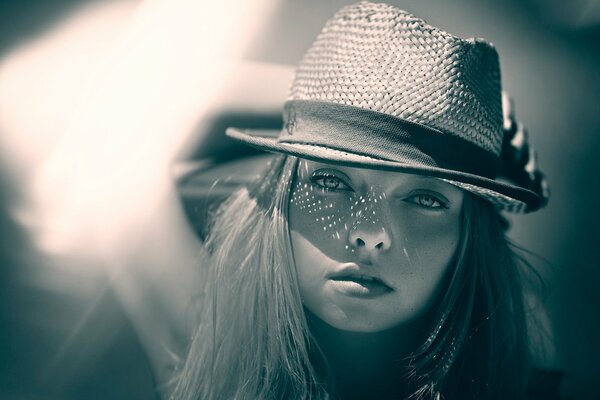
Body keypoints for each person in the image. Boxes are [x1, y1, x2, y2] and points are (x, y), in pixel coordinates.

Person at [171, 2, 550, 399]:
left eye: (425, 198)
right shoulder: (209, 349)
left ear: (469, 239)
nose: (370, 233)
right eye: (332, 181)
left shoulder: (519, 382)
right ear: (278, 194)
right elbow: (133, 117)